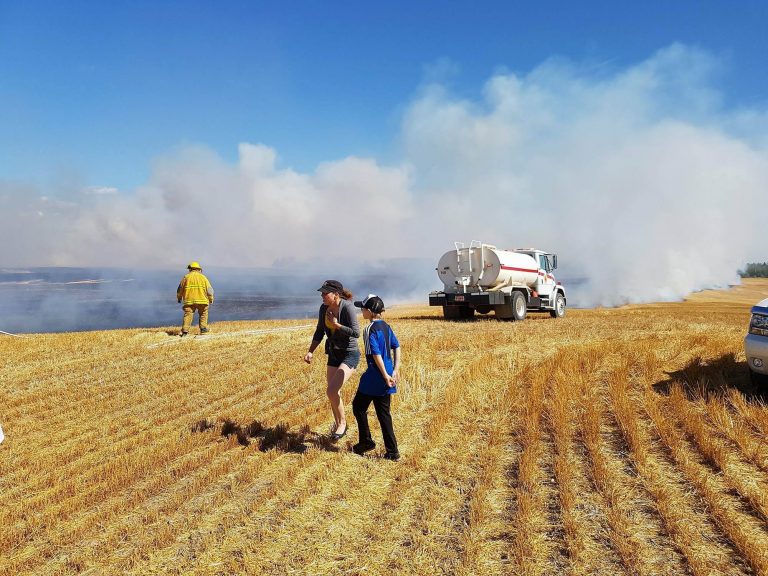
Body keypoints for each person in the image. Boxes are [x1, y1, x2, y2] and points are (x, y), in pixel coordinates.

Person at [304, 280, 360, 440]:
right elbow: (320, 331)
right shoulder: (323, 308)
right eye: (322, 292)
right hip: (333, 354)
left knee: (332, 390)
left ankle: (342, 423)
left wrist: (337, 325)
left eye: (325, 293)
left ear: (335, 294)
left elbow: (356, 333)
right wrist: (310, 351)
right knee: (332, 393)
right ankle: (339, 426)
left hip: (349, 354)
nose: (322, 295)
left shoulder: (347, 307)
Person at [351, 294, 401, 461]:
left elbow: (375, 354)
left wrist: (385, 375)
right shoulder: (386, 326)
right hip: (387, 375)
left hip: (375, 376)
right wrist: (395, 369)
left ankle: (366, 442)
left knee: (358, 406)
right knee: (384, 414)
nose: (361, 311)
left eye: (363, 309)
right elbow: (397, 346)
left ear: (370, 311)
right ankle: (393, 452)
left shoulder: (369, 329)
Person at [176, 261, 214, 337]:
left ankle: (185, 332)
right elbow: (210, 290)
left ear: (190, 269)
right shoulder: (203, 277)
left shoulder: (186, 277)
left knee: (188, 315)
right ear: (199, 269)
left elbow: (180, 289)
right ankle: (203, 329)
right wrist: (211, 299)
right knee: (203, 313)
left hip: (189, 300)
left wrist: (179, 298)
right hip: (202, 300)